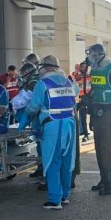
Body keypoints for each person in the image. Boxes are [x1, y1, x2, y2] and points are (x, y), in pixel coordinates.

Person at [24, 55, 77, 210]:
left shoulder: (43, 84)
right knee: (66, 161)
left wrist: (26, 112)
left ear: (44, 68)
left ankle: (55, 200)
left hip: (53, 126)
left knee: (53, 161)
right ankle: (65, 195)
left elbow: (33, 107)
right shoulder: (68, 81)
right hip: (69, 125)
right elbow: (75, 93)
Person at [84, 43, 111, 196]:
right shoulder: (95, 70)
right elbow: (95, 90)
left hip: (110, 112)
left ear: (99, 55)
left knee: (109, 148)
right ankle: (104, 179)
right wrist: (89, 107)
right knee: (100, 148)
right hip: (97, 113)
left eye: (91, 55)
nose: (89, 58)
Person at [72, 62, 91, 141]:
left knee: (83, 118)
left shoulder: (90, 76)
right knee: (74, 117)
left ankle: (86, 134)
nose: (84, 68)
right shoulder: (76, 76)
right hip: (77, 99)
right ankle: (75, 133)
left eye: (85, 67)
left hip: (86, 99)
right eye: (82, 67)